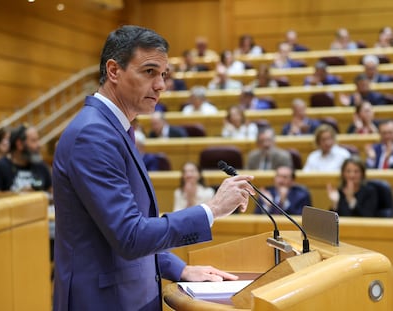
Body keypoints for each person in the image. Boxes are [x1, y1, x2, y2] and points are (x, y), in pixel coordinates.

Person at [52, 25, 255, 311]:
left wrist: (179, 269)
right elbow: (129, 235)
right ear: (114, 71)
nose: (161, 85)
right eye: (149, 72)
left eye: (164, 75)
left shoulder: (114, 129)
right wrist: (213, 210)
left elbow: (120, 228)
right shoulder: (92, 135)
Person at [0, 124, 52, 192]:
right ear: (19, 144)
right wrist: (19, 194)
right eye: (34, 141)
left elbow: (53, 194)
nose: (39, 145)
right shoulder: (1, 166)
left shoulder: (41, 166)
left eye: (38, 140)